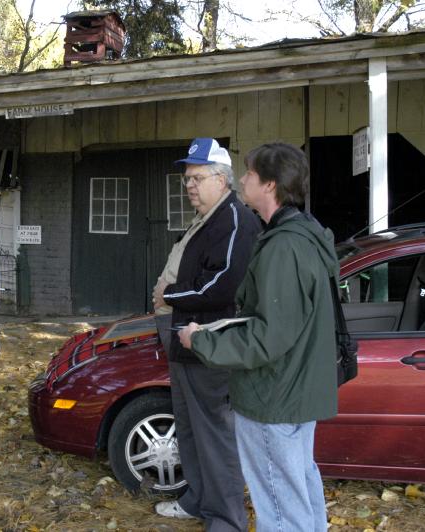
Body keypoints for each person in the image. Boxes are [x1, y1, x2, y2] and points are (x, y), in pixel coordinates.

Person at [178, 142, 339, 532]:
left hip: (273, 396)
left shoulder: (284, 246)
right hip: (295, 391)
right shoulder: (303, 236)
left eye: (249, 173)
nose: (242, 178)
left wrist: (200, 341)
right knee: (299, 488)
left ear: (269, 185)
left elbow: (268, 337)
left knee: (280, 507)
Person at [150, 138, 261, 530]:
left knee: (214, 435)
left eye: (197, 178)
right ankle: (197, 499)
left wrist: (169, 295)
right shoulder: (207, 218)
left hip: (209, 345)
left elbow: (222, 285)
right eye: (187, 179)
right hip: (186, 340)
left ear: (222, 179)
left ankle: (226, 519)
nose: (189, 186)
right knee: (190, 428)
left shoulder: (233, 220)